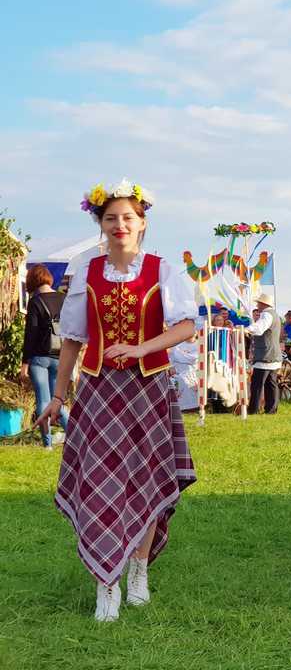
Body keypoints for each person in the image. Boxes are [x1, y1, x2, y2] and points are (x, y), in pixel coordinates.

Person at [34, 179, 197, 622]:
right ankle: (106, 583)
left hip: (148, 390)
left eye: (128, 217)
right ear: (101, 224)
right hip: (100, 390)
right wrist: (59, 393)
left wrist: (144, 348)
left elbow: (187, 326)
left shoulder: (163, 270)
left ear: (142, 222)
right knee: (101, 483)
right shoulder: (86, 271)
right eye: (111, 218)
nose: (120, 225)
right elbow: (72, 338)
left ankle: (138, 569)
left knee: (143, 481)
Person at [20, 264, 68, 449]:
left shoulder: (35, 302)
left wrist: (25, 363)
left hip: (39, 358)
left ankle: (47, 444)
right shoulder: (63, 299)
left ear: (32, 281)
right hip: (60, 356)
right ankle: (74, 437)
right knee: (58, 400)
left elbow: (30, 334)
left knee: (44, 401)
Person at [246, 293, 281, 415]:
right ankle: (271, 409)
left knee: (257, 384)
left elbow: (259, 328)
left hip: (265, 354)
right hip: (272, 354)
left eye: (258, 303)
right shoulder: (275, 314)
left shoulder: (266, 314)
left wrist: (247, 329)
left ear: (263, 304)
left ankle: (253, 409)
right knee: (271, 384)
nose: (257, 305)